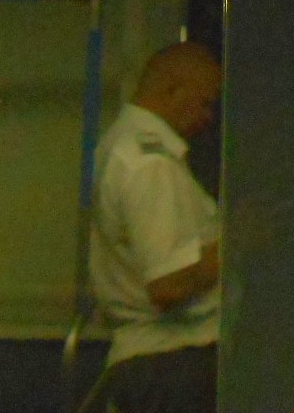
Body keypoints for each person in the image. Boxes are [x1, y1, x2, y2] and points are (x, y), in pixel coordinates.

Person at [90, 42, 223, 413]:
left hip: (151, 364)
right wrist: (235, 245)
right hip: (172, 363)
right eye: (204, 103)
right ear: (173, 90)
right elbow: (169, 285)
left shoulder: (118, 146)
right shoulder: (152, 165)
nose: (208, 117)